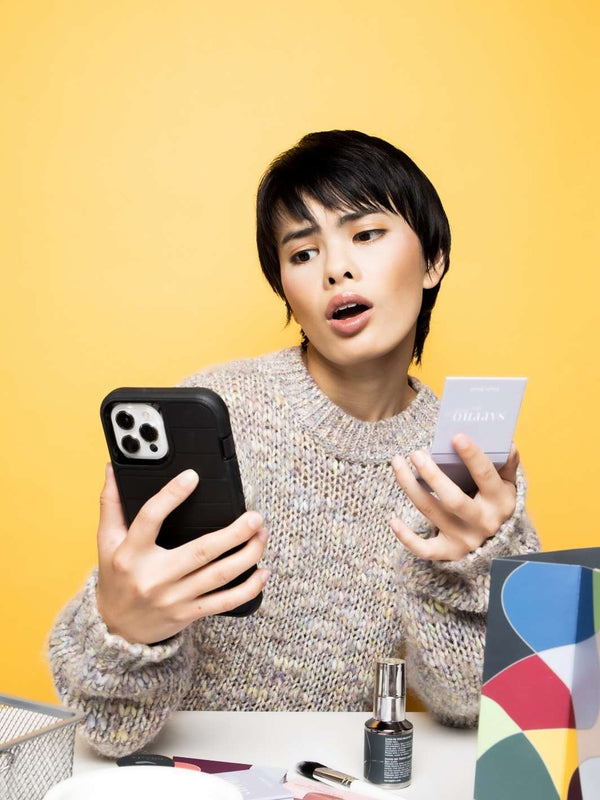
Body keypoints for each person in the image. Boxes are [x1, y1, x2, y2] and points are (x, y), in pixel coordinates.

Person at [48, 129, 539, 757]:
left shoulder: (463, 461)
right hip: (184, 780)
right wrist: (125, 626)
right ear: (286, 288)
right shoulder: (218, 411)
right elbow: (106, 732)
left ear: (434, 260)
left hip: (334, 780)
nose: (336, 268)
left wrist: (476, 567)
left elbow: (468, 705)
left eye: (365, 235)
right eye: (303, 254)